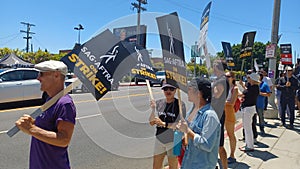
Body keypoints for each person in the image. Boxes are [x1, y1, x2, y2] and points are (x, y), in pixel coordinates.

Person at [15, 60, 77, 169]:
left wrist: (31, 129)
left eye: (42, 74)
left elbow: (64, 139)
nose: (38, 78)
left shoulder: (64, 103)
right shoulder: (49, 100)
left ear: (56, 75)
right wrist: (33, 123)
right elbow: (47, 126)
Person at [176, 78, 220, 169]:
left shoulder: (210, 115)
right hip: (189, 162)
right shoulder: (193, 109)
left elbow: (207, 145)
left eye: (190, 89)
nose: (187, 92)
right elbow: (189, 132)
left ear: (199, 93)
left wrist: (187, 131)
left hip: (202, 165)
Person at [149, 83, 186, 169]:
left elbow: (179, 125)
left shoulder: (180, 105)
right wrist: (153, 109)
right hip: (159, 140)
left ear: (175, 90)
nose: (168, 91)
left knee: (173, 166)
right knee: (156, 166)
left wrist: (163, 124)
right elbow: (151, 122)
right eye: (166, 89)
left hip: (173, 141)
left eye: (171, 89)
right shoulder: (159, 103)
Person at [211, 59, 229, 169]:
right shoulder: (221, 79)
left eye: (214, 66)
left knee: (219, 145)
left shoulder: (221, 80)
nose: (212, 68)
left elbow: (217, 95)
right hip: (218, 113)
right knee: (216, 145)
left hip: (217, 114)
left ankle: (224, 167)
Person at [239, 73, 260, 152]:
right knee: (247, 127)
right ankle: (248, 143)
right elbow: (246, 89)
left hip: (249, 108)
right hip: (249, 108)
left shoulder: (254, 88)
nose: (247, 79)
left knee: (247, 127)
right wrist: (243, 85)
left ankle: (250, 146)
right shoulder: (253, 87)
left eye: (249, 78)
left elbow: (245, 93)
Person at [224, 71, 238, 164]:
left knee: (230, 134)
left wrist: (221, 101)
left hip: (229, 113)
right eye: (225, 76)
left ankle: (232, 155)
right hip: (221, 112)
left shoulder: (235, 88)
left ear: (233, 78)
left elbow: (232, 103)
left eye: (228, 76)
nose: (226, 78)